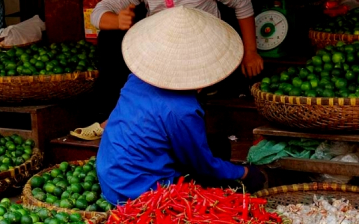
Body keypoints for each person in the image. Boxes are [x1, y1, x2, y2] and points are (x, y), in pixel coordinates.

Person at [96, 6, 266, 205]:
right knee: (230, 191)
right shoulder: (183, 110)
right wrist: (245, 172)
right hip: (141, 194)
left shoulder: (135, 80)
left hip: (111, 178)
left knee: (218, 145)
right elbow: (202, 165)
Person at [72, 0, 263, 140]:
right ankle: (117, 117)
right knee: (109, 38)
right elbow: (98, 13)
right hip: (162, 50)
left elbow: (243, 4)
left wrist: (251, 52)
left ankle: (119, 121)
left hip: (202, 49)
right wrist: (117, 20)